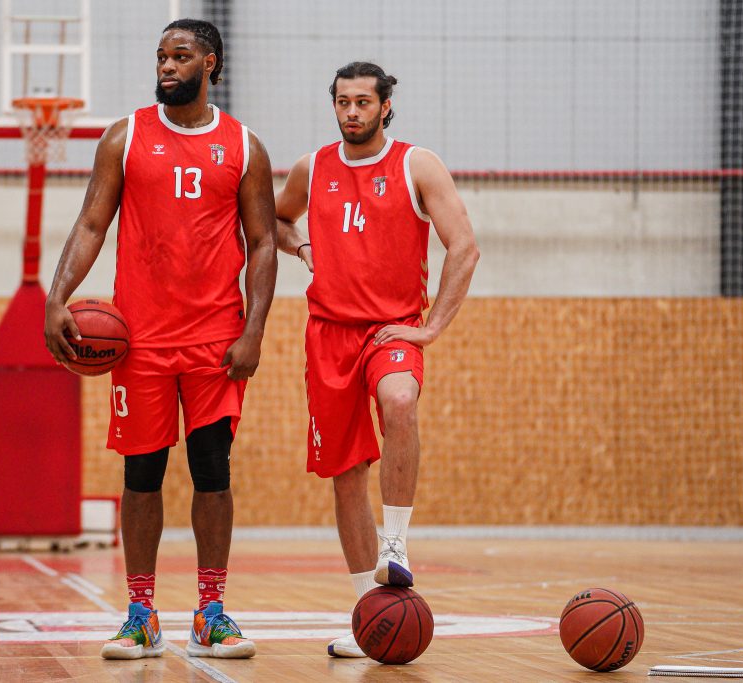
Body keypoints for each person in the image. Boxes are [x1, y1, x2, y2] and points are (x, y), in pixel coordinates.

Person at [44, 19, 277, 661]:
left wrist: (254, 329)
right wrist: (56, 296)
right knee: (142, 474)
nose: (167, 66)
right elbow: (92, 222)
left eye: (180, 56)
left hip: (215, 339)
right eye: (161, 57)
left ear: (212, 65)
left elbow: (262, 244)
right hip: (139, 340)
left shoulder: (245, 146)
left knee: (212, 472)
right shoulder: (124, 138)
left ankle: (211, 611)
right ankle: (141, 613)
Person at [274, 61, 479, 658]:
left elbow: (463, 247)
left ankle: (396, 544)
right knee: (345, 477)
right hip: (327, 333)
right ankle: (368, 616)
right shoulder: (312, 169)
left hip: (390, 330)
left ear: (386, 106)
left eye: (364, 102)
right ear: (333, 106)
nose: (352, 112)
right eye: (343, 102)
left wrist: (433, 327)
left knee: (399, 400)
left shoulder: (417, 164)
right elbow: (276, 218)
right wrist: (303, 244)